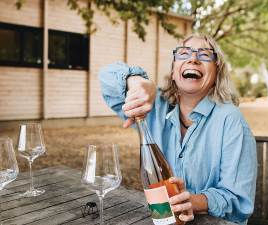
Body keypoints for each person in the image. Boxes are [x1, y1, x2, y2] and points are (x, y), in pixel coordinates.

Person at [98, 32, 257, 225]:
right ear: (173, 72)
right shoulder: (153, 105)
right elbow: (105, 77)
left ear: (216, 75)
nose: (193, 58)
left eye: (205, 54)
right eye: (184, 53)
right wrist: (139, 83)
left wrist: (193, 201)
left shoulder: (231, 120)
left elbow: (239, 201)